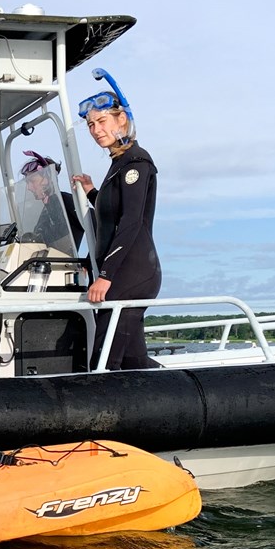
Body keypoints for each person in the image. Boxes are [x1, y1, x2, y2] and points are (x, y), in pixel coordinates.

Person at [71, 72, 161, 370]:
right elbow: (112, 211)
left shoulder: (136, 162)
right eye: (90, 125)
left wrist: (106, 274)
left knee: (104, 360)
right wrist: (92, 191)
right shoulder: (118, 164)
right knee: (133, 360)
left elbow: (131, 221)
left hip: (131, 273)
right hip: (124, 274)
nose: (96, 130)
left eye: (102, 122)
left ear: (122, 119)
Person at [19, 150, 83, 255]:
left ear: (46, 180)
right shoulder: (43, 209)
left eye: (32, 181)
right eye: (27, 182)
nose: (29, 187)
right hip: (45, 266)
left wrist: (90, 262)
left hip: (67, 267)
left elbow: (95, 223)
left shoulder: (65, 201)